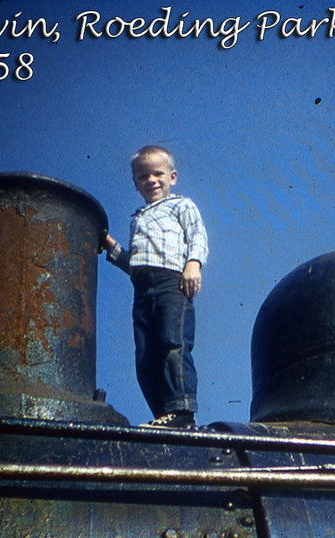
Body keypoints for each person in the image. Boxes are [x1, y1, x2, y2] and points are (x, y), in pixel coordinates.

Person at [101, 145, 208, 428]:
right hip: (142, 290)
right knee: (145, 354)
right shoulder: (138, 218)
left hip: (172, 282)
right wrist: (111, 246)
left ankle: (182, 411)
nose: (151, 180)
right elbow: (135, 263)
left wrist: (193, 265)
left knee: (172, 342)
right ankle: (164, 414)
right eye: (143, 176)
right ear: (136, 184)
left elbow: (197, 235)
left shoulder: (181, 205)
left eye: (157, 174)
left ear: (172, 177)